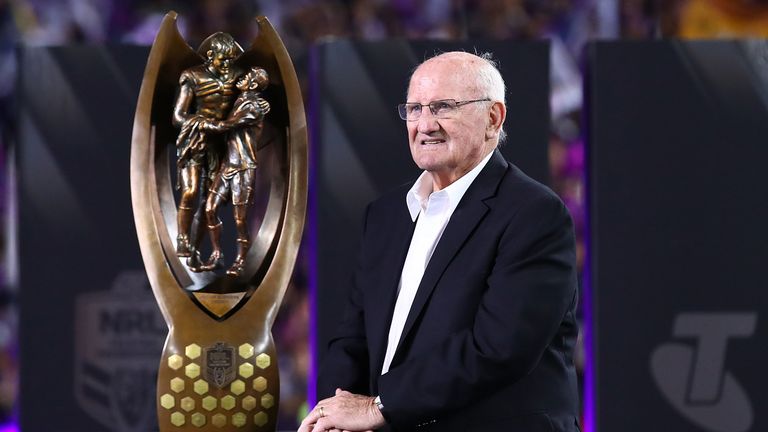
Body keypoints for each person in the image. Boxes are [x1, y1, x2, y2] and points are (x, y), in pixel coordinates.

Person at [299, 51, 580, 432]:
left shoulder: (534, 214)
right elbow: (354, 336)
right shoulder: (386, 215)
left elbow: (499, 348)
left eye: (443, 107)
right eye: (414, 109)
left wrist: (378, 407)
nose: (424, 124)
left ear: (493, 118)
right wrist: (334, 412)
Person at [172, 32, 242, 268]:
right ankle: (182, 237)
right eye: (222, 60)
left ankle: (195, 248)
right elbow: (178, 116)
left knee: (209, 201)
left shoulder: (236, 76)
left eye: (230, 61)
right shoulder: (192, 76)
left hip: (219, 144)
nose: (226, 66)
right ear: (210, 56)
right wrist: (202, 123)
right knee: (191, 190)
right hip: (195, 140)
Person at [202, 67, 271, 275]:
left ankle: (242, 261)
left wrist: (203, 123)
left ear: (253, 85)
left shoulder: (254, 107)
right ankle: (217, 254)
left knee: (240, 219)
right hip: (228, 165)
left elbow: (229, 124)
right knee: (210, 209)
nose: (243, 78)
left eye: (248, 77)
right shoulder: (240, 101)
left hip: (243, 167)